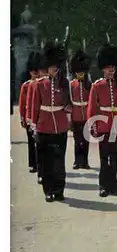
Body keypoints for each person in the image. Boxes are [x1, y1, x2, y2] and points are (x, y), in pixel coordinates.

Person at [87, 43, 117, 197]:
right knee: (104, 158)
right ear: (103, 68)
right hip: (103, 126)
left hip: (116, 126)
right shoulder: (97, 86)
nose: (111, 70)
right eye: (108, 67)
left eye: (113, 67)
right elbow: (92, 108)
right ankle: (103, 185)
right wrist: (93, 126)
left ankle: (113, 185)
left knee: (114, 158)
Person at [31, 42, 71, 202]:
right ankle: (48, 191)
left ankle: (59, 190)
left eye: (57, 66)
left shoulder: (64, 83)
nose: (55, 68)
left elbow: (68, 105)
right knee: (46, 162)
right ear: (47, 67)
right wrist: (34, 126)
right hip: (44, 126)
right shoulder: (39, 84)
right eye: (53, 66)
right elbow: (34, 107)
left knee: (59, 162)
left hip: (60, 126)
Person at [26, 53, 48, 185]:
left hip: (48, 123)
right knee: (39, 150)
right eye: (42, 71)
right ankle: (40, 173)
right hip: (37, 122)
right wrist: (30, 122)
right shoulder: (33, 85)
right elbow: (30, 104)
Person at [18, 52, 41, 173]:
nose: (35, 73)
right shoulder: (26, 86)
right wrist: (22, 118)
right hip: (29, 117)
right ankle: (33, 163)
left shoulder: (42, 84)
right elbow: (22, 104)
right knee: (31, 142)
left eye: (36, 71)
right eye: (33, 71)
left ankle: (40, 164)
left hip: (40, 117)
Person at [70, 50, 92, 169]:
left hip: (86, 115)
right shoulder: (72, 84)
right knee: (77, 140)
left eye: (82, 72)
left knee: (86, 140)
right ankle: (77, 161)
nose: (80, 74)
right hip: (76, 115)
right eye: (78, 72)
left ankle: (85, 161)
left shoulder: (89, 84)